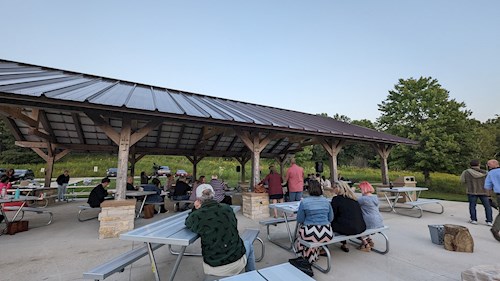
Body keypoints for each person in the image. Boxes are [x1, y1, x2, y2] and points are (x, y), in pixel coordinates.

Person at [185, 184, 255, 280]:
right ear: (213, 195)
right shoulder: (227, 208)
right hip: (237, 261)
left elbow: (188, 223)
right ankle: (252, 277)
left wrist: (195, 209)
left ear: (198, 199)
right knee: (248, 244)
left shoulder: (196, 216)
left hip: (214, 268)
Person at [290, 180, 333, 276]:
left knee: (301, 235)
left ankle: (307, 260)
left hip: (311, 232)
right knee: (310, 237)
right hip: (327, 233)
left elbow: (300, 219)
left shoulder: (305, 202)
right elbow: (331, 218)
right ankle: (313, 256)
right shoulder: (326, 201)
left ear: (309, 189)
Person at [330, 181, 367, 252]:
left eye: (334, 187)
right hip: (361, 226)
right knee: (343, 220)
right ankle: (345, 243)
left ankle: (343, 243)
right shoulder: (354, 198)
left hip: (348, 228)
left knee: (331, 223)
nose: (332, 189)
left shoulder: (336, 199)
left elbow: (332, 216)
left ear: (338, 188)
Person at [460, 160, 492, 226]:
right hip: (484, 191)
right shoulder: (486, 173)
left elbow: (462, 180)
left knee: (472, 206)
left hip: (472, 191)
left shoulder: (466, 172)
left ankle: (473, 220)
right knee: (487, 206)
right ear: (479, 164)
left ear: (470, 165)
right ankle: (489, 221)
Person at [357, 181, 384, 248]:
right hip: (379, 220)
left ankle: (365, 244)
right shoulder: (375, 197)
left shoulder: (362, 199)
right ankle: (369, 240)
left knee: (358, 226)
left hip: (370, 221)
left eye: (360, 189)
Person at [485, 159, 500, 242]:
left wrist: (488, 196)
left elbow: (488, 186)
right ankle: (495, 228)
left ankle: (495, 228)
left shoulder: (490, 173)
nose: (488, 166)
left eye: (489, 165)